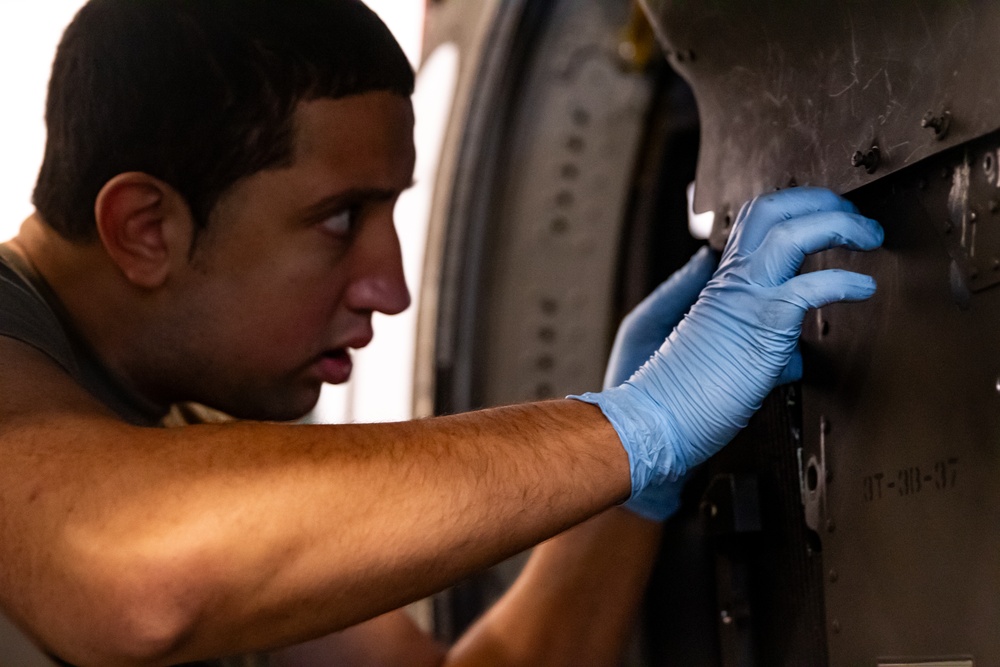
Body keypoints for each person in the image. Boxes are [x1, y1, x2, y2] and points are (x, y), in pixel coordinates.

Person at [0, 1, 884, 665]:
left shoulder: (190, 438)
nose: (390, 288)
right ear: (146, 228)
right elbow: (127, 567)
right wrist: (640, 421)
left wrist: (637, 480)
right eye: (341, 219)